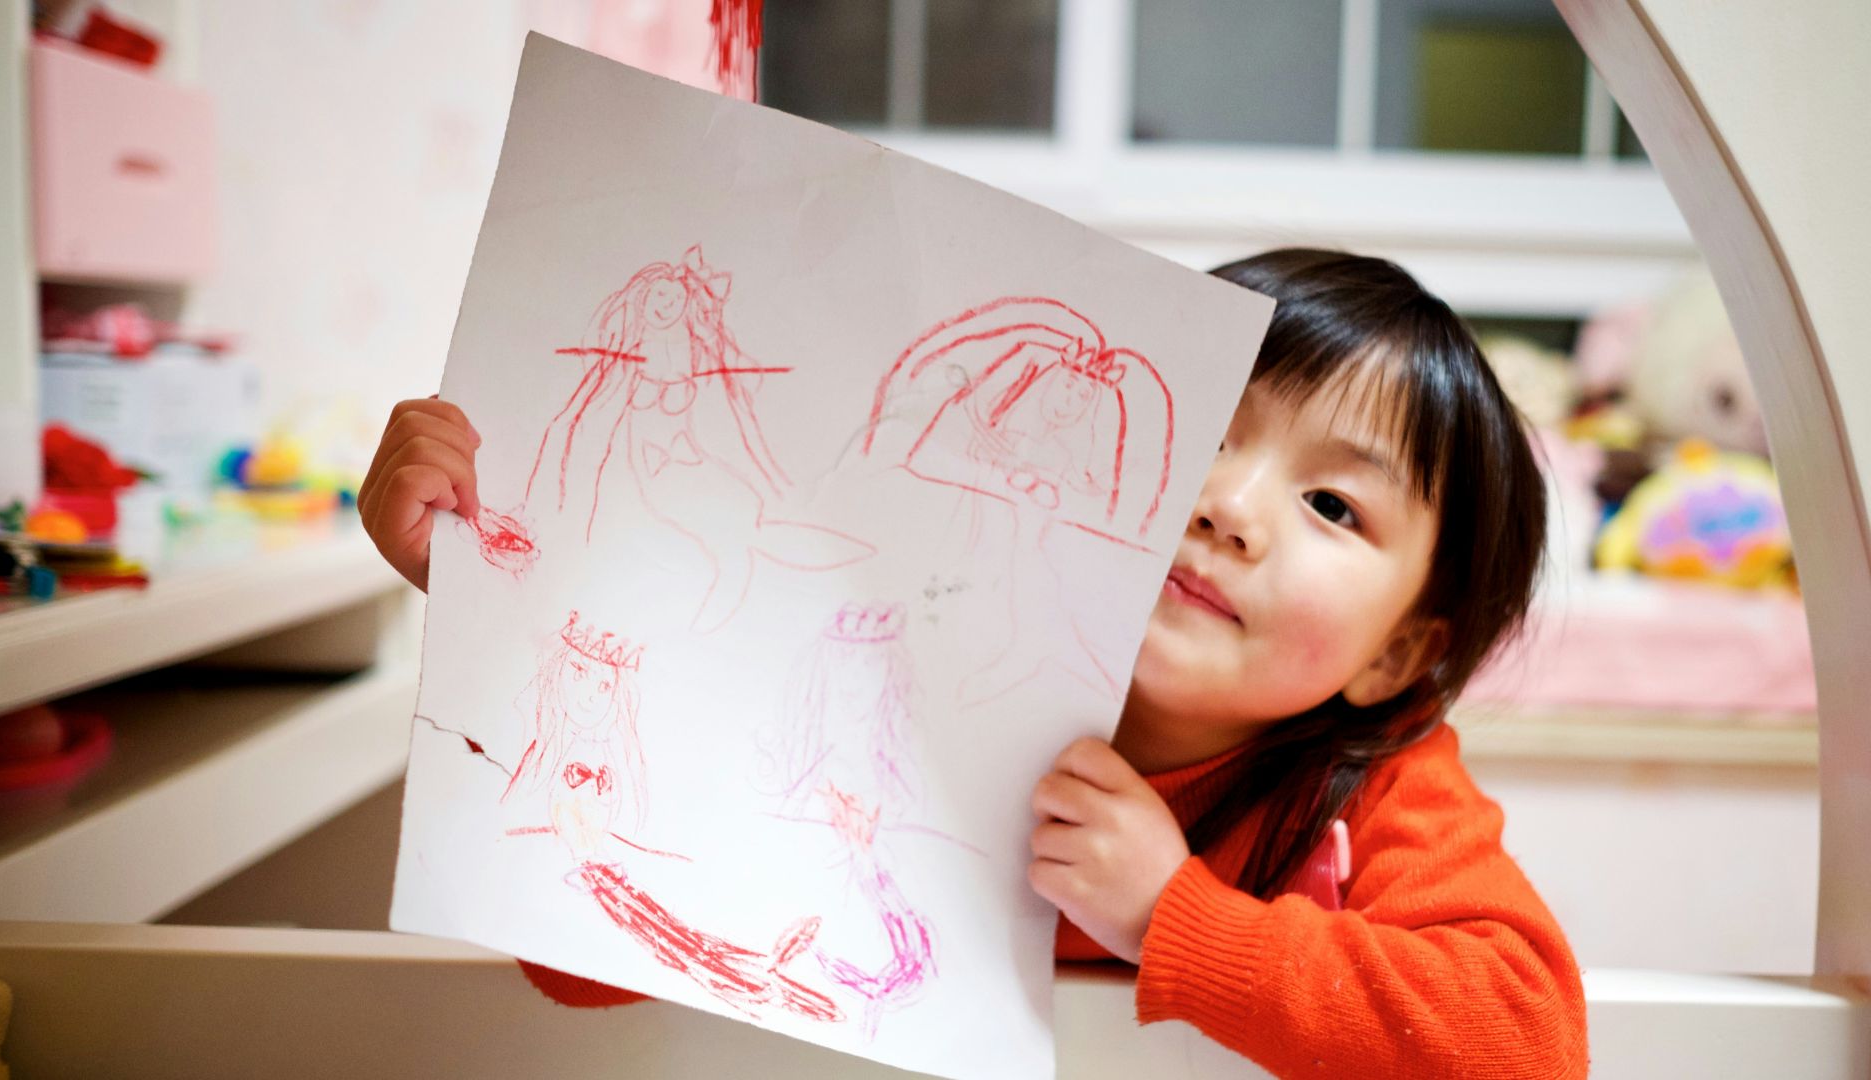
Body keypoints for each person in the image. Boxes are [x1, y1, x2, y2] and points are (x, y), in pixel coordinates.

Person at [359, 248, 1587, 1077]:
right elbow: (582, 973)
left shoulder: (1378, 784)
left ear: (1403, 656)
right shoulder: (909, 679)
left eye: (1331, 504)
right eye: (1204, 429)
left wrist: (1177, 919)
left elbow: (1530, 1042)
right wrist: (503, 593)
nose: (1227, 505)